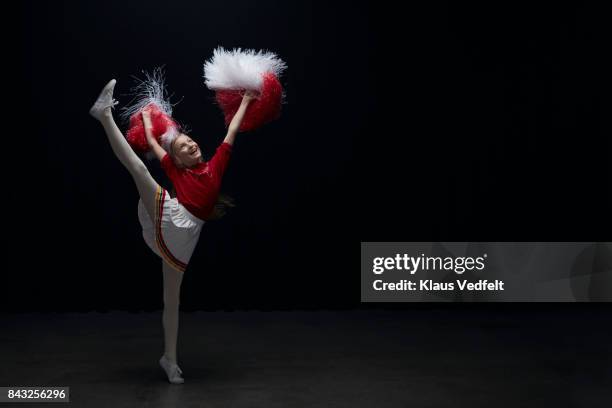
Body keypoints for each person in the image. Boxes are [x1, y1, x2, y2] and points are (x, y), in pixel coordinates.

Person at [89, 78, 257, 384]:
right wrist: (148, 124)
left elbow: (231, 132)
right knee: (138, 169)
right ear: (176, 159)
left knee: (172, 300)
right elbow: (153, 147)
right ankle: (105, 116)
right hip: (173, 217)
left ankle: (169, 358)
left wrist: (245, 101)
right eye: (183, 147)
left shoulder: (216, 164)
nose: (191, 145)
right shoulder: (174, 169)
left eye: (190, 142)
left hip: (187, 239)